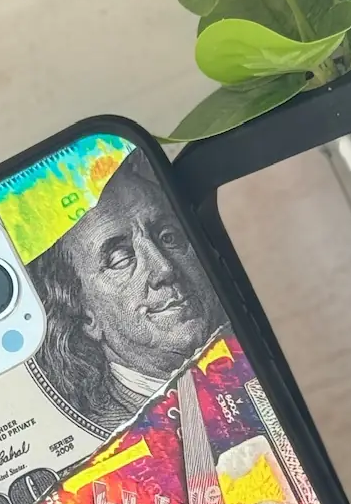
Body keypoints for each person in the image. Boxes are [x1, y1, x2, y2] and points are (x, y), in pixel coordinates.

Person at [28, 148, 226, 431]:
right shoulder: (111, 440)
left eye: (168, 237)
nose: (164, 269)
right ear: (84, 315)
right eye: (121, 259)